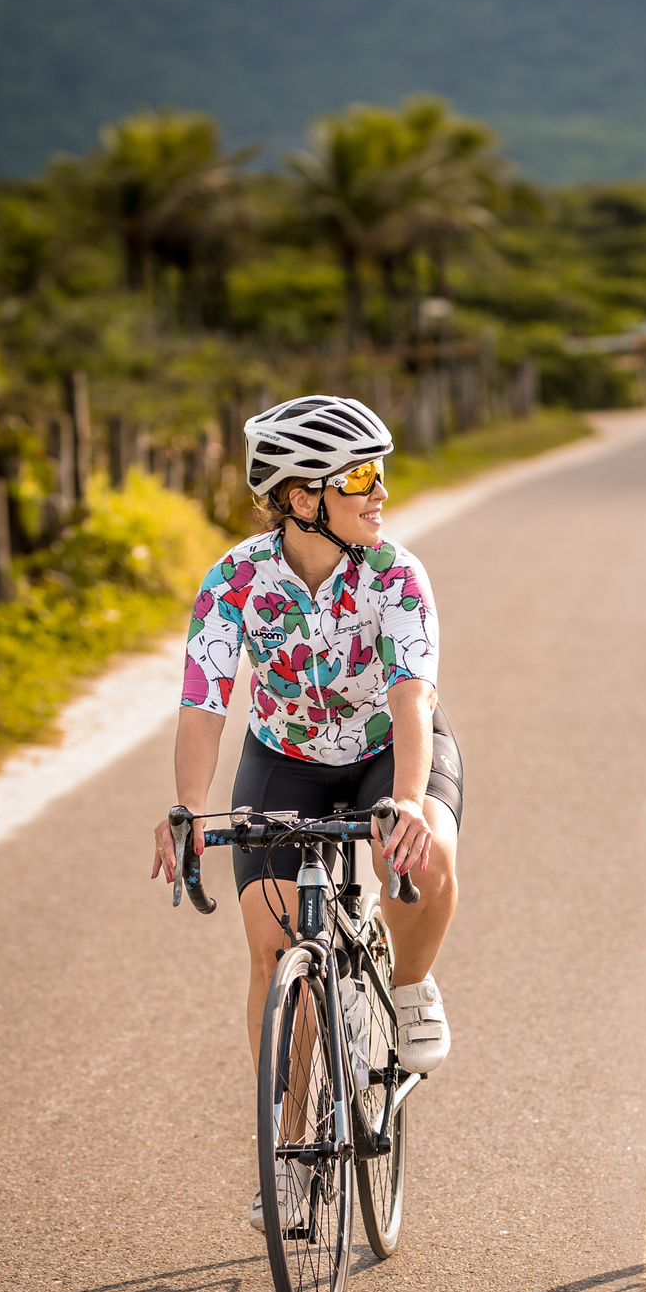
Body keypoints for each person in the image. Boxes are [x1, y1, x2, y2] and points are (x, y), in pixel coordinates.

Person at [152, 395, 461, 1231]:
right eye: (360, 476)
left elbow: (411, 701)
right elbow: (203, 704)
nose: (380, 492)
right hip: (284, 758)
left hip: (386, 754)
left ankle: (411, 983)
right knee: (271, 948)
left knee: (425, 856)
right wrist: (187, 809)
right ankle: (289, 1150)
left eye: (380, 472)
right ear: (298, 497)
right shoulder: (234, 581)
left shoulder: (396, 573)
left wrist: (403, 800)